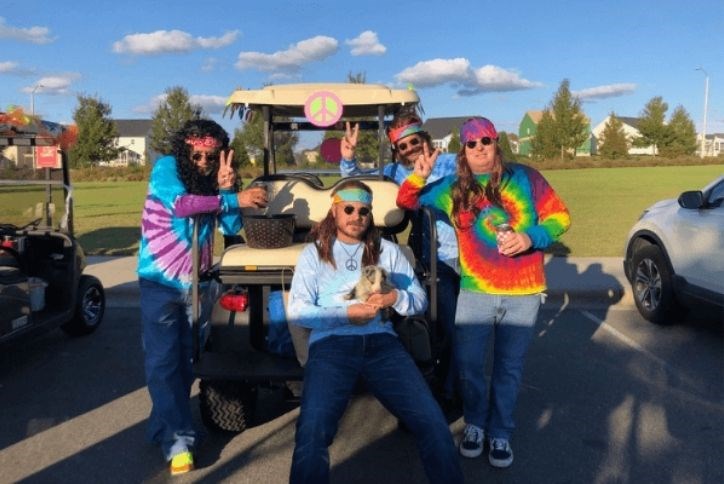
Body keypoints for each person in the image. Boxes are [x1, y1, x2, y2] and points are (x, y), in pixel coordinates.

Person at [397, 117, 571, 469]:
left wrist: (529, 238)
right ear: (463, 149)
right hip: (475, 291)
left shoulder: (526, 177)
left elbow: (560, 217)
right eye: (472, 143)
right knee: (469, 366)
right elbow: (408, 200)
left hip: (523, 291)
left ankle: (501, 432)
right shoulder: (453, 188)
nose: (479, 149)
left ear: (496, 142)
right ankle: (475, 424)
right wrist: (419, 173)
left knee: (509, 369)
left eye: (486, 141)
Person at [287, 179, 463, 484]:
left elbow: (419, 299)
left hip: (383, 344)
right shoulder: (314, 254)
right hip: (331, 346)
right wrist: (345, 314)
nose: (357, 216)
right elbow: (299, 311)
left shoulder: (389, 252)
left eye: (364, 211)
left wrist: (395, 298)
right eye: (349, 209)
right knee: (312, 430)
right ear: (335, 211)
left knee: (433, 422)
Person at [137, 119, 267, 476]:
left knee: (185, 362)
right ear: (184, 151)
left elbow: (231, 228)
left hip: (198, 285)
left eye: (212, 156)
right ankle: (178, 442)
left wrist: (227, 190)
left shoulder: (214, 180)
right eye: (197, 155)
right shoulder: (166, 167)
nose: (204, 162)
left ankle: (164, 422)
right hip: (159, 283)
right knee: (163, 363)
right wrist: (234, 198)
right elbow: (182, 205)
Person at [339, 112, 461, 410]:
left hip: (461, 254)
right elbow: (359, 187)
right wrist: (349, 158)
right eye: (402, 146)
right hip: (427, 255)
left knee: (461, 326)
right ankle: (440, 388)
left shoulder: (450, 163)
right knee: (438, 324)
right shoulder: (395, 171)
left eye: (413, 142)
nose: (409, 150)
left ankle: (452, 388)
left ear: (425, 139)